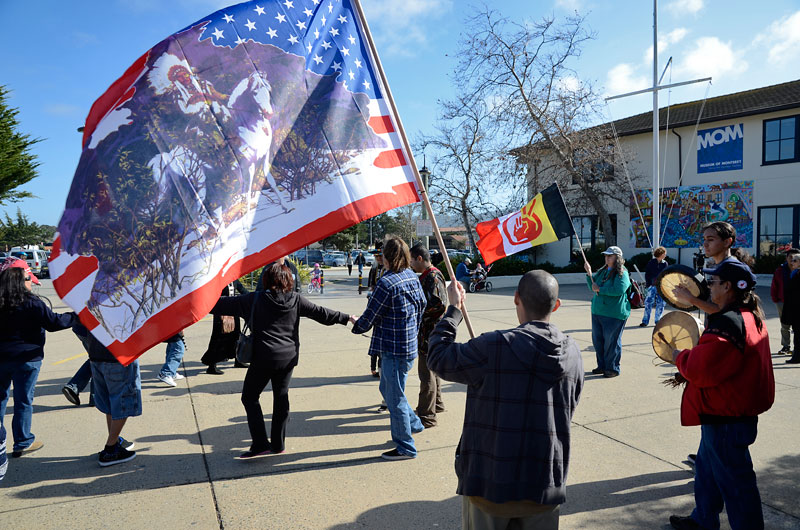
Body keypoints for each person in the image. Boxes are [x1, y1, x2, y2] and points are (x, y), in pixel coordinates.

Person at [428, 271, 583, 530]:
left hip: (491, 482)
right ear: (556, 305)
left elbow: (438, 356)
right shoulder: (573, 352)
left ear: (516, 299)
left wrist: (454, 310)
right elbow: (569, 408)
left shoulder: (494, 346)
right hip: (544, 482)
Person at [665, 260, 774, 530]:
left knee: (737, 486)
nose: (708, 287)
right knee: (707, 472)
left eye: (712, 282)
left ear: (727, 286)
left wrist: (680, 357)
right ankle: (703, 519)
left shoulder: (728, 322)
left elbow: (701, 369)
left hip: (726, 417)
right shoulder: (750, 314)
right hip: (732, 411)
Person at [210, 262, 353, 459]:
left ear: (266, 280)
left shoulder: (254, 299)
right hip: (288, 357)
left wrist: (191, 303)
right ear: (288, 280)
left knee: (250, 397)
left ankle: (260, 443)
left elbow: (219, 304)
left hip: (263, 357)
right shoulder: (296, 299)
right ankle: (278, 444)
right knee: (281, 397)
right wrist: (346, 318)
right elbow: (321, 313)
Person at [352, 236, 427, 460]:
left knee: (394, 399)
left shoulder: (387, 282)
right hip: (407, 346)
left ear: (387, 257)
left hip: (393, 349)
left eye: (383, 253)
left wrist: (356, 325)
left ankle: (406, 447)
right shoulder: (411, 276)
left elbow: (371, 315)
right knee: (389, 390)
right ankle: (414, 424)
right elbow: (422, 304)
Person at [0, 258, 77, 458]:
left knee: (1, 400)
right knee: (23, 401)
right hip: (27, 359)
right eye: (28, 279)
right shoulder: (32, 302)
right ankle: (23, 441)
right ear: (20, 280)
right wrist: (75, 315)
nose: (31, 283)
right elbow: (54, 323)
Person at [73, 324, 140, 466]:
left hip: (96, 355)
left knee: (111, 403)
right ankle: (110, 449)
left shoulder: (90, 301)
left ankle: (114, 442)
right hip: (117, 356)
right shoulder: (120, 303)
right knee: (123, 403)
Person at [410, 244, 447, 428]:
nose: (409, 263)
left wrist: (419, 315)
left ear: (419, 258)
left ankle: (427, 415)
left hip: (430, 332)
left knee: (426, 374)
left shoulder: (432, 276)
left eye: (411, 259)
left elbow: (438, 304)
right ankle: (436, 405)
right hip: (430, 331)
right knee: (432, 370)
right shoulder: (430, 275)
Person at [584, 246, 631, 378]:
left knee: (612, 342)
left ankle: (612, 368)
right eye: (606, 255)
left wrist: (600, 289)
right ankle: (602, 366)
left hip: (614, 314)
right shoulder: (602, 271)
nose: (607, 258)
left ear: (617, 258)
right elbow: (593, 287)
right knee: (598, 341)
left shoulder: (622, 272)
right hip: (598, 311)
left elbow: (619, 289)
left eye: (610, 256)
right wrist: (589, 274)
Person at [674, 222, 739, 314]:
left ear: (727, 242)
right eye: (704, 239)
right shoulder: (716, 266)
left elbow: (725, 311)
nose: (705, 244)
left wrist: (690, 298)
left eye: (710, 239)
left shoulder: (732, 269)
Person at [201, 280, 248, 375]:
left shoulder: (234, 280)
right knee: (218, 339)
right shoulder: (218, 280)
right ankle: (211, 365)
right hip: (221, 313)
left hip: (234, 312)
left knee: (236, 337)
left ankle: (238, 360)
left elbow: (243, 291)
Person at [770, 248, 799, 355]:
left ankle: (797, 348)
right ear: (786, 258)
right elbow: (774, 286)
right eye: (791, 257)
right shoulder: (780, 271)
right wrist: (776, 300)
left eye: (796, 258)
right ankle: (786, 346)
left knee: (798, 326)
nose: (793, 260)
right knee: (784, 325)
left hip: (797, 303)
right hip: (783, 302)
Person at [640, 246, 668, 327]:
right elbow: (647, 274)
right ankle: (645, 321)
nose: (665, 255)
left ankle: (658, 321)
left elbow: (665, 274)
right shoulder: (651, 262)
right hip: (652, 286)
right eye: (664, 253)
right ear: (660, 254)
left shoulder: (665, 263)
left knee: (661, 303)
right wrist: (648, 284)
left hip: (661, 286)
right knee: (648, 303)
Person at [780, 252, 800, 364]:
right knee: (797, 333)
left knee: (798, 334)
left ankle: (797, 356)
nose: (792, 262)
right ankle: (797, 355)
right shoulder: (794, 273)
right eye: (791, 260)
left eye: (795, 260)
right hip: (793, 308)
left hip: (797, 309)